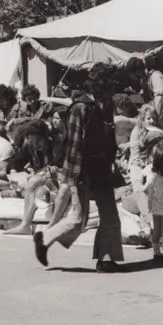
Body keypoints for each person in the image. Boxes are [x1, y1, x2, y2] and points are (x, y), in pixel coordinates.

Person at [32, 63, 123, 272]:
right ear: (99, 86)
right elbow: (74, 145)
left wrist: (112, 161)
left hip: (101, 168)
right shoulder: (80, 108)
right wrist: (73, 178)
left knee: (110, 216)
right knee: (77, 220)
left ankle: (106, 259)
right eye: (109, 86)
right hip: (81, 170)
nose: (112, 91)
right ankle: (44, 238)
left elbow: (109, 138)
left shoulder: (106, 105)